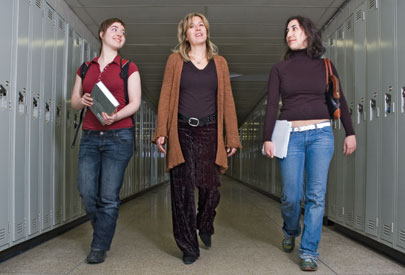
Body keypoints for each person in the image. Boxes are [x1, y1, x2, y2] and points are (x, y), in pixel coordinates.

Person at [263, 16, 356, 271]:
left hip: (321, 135)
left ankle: (309, 252)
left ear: (308, 33)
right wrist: (267, 138)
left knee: (316, 196)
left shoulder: (325, 65)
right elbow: (272, 105)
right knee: (291, 196)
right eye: (287, 30)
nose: (289, 33)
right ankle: (290, 229)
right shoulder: (279, 69)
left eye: (294, 28)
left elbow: (340, 99)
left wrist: (350, 131)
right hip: (290, 136)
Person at [152, 12, 241, 265]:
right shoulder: (175, 61)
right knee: (182, 191)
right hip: (181, 131)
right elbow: (166, 96)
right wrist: (161, 130)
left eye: (201, 25)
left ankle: (205, 223)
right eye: (192, 26)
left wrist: (231, 136)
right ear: (185, 35)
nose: (197, 29)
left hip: (210, 131)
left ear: (207, 31)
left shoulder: (220, 63)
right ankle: (189, 246)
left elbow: (228, 100)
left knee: (210, 188)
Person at [71, 18, 141, 264]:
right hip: (90, 136)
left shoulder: (128, 67)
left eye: (123, 31)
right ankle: (103, 229)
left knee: (108, 196)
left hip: (119, 136)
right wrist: (84, 102)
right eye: (114, 29)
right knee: (87, 191)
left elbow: (135, 102)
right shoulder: (85, 67)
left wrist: (115, 116)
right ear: (101, 34)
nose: (120, 34)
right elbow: (74, 101)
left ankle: (99, 246)